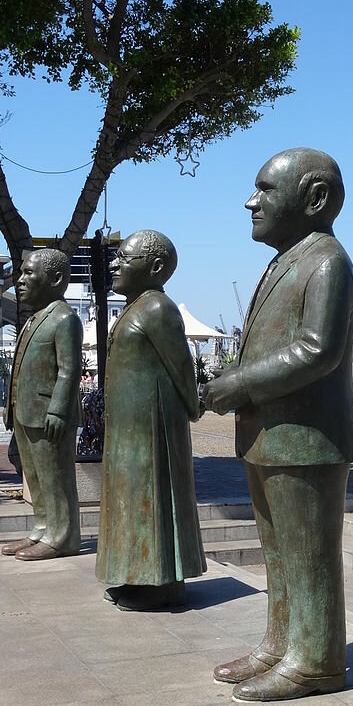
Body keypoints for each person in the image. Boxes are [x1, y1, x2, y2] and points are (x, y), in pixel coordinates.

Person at [204, 148, 353, 701]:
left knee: (308, 555)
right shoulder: (289, 259)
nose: (252, 201)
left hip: (308, 439)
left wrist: (239, 384)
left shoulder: (328, 262)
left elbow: (318, 349)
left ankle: (316, 658)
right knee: (279, 552)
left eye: (266, 189)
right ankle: (282, 641)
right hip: (272, 435)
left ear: (313, 198)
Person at [96, 230, 206, 610]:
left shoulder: (158, 308)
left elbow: (181, 367)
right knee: (131, 499)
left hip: (152, 426)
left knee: (153, 497)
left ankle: (163, 582)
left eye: (124, 259)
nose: (114, 264)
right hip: (129, 426)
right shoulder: (135, 306)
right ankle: (138, 574)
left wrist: (193, 406)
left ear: (155, 267)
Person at [1, 248, 82, 561]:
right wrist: (10, 407)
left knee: (56, 478)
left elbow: (70, 368)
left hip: (50, 415)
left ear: (56, 279)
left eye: (28, 274)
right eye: (20, 274)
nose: (20, 280)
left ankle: (63, 536)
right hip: (27, 412)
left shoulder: (64, 319)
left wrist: (59, 409)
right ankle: (42, 527)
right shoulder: (36, 317)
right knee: (35, 476)